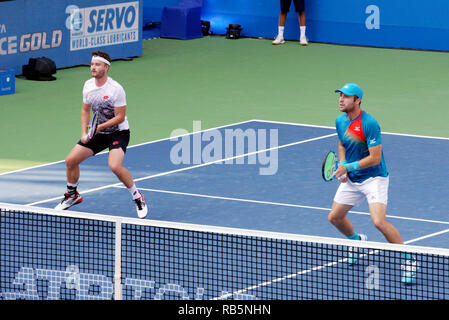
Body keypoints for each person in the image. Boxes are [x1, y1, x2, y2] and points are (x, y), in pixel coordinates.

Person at [328, 83, 416, 283]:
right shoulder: (340, 121)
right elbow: (342, 143)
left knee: (378, 221)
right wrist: (342, 163)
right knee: (334, 218)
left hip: (374, 178)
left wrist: (347, 168)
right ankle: (357, 241)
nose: (341, 100)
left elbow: (375, 158)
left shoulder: (369, 123)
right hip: (352, 178)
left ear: (357, 100)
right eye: (340, 96)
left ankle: (408, 260)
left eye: (346, 97)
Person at [55, 51, 148, 219]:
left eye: (97, 65)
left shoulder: (116, 89)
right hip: (97, 131)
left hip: (118, 132)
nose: (93, 67)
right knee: (70, 161)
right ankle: (72, 195)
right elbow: (85, 110)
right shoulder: (88, 85)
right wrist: (84, 132)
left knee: (114, 166)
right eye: (92, 64)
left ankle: (137, 197)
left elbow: (120, 117)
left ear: (106, 67)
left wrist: (99, 127)